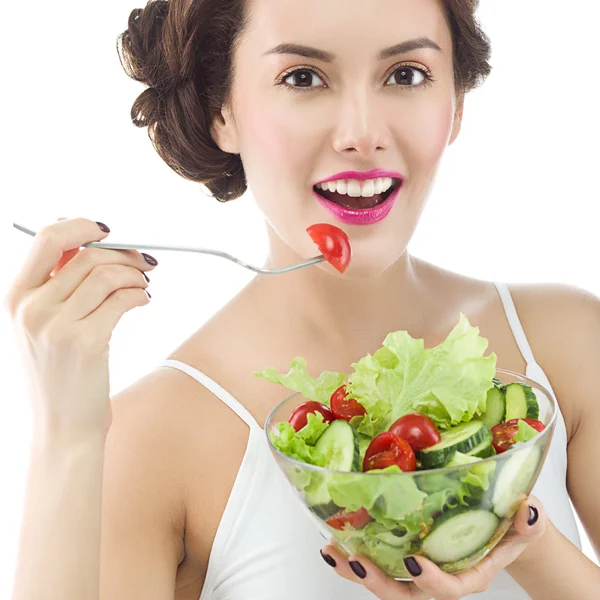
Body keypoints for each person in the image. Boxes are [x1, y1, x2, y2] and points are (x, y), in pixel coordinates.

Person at [5, 0, 599, 598]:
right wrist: (67, 434)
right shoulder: (152, 438)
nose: (362, 135)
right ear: (222, 111)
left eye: (406, 74)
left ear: (456, 104)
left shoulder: (567, 343)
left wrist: (527, 544)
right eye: (302, 77)